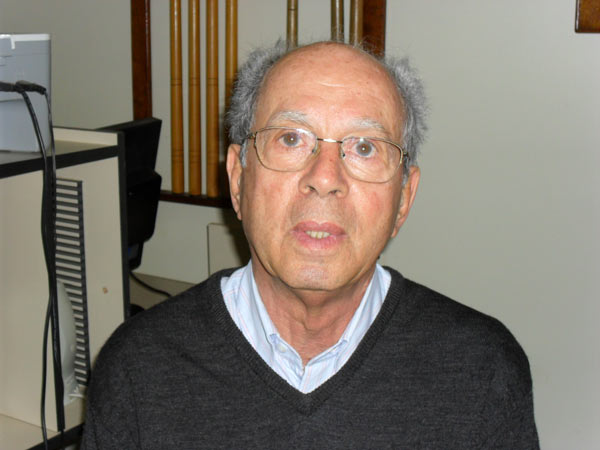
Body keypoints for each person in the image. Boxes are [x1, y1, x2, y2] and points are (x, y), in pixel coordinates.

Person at [81, 41, 539, 449]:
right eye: (291, 139)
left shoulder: (483, 371)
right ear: (238, 180)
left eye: (364, 147)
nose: (324, 178)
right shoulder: (136, 369)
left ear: (403, 198)